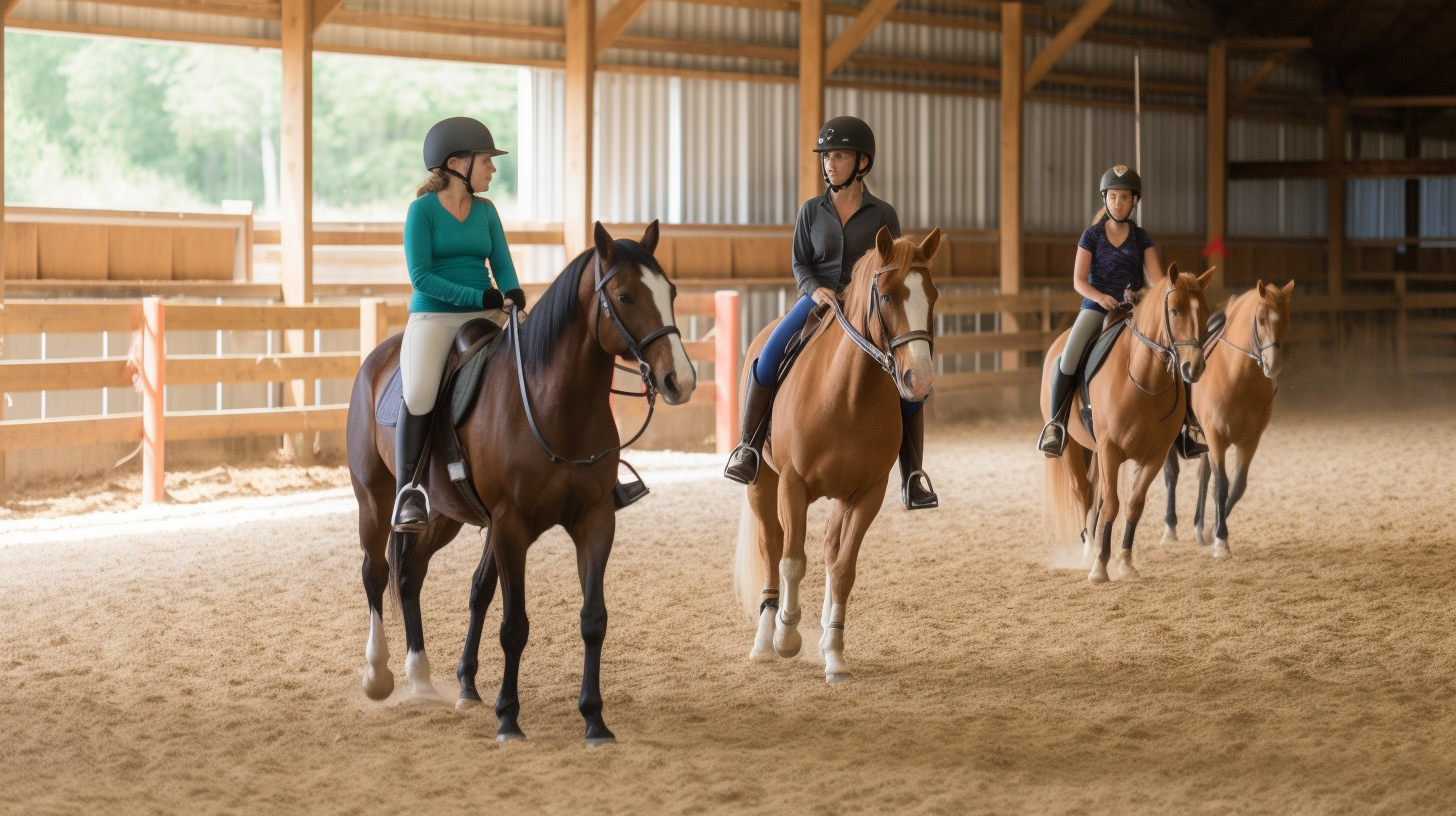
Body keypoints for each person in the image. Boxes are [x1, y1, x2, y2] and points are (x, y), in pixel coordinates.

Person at [722, 115, 938, 510]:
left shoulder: (883, 214)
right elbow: (800, 264)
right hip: (817, 301)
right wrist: (813, 289)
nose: (829, 163)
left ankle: (913, 475)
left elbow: (891, 269)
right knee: (767, 356)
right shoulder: (810, 211)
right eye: (826, 156)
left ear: (861, 162)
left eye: (838, 156)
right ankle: (749, 448)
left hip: (864, 309)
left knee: (909, 380)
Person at [392, 117, 525, 532]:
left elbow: (501, 264)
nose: (493, 169)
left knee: (535, 366)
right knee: (418, 393)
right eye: (486, 160)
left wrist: (514, 295)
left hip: (487, 312)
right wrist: (478, 297)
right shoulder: (422, 212)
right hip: (434, 316)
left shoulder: (486, 211)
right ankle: (408, 492)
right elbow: (421, 276)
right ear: (457, 164)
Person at [1036, 165, 1207, 458]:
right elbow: (1078, 280)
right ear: (1105, 199)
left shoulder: (1142, 238)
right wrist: (1100, 296)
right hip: (1096, 308)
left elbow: (1156, 280)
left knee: (1176, 353)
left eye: (1124, 197)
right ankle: (1056, 424)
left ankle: (1186, 427)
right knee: (1069, 356)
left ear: (1134, 201)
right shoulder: (1091, 236)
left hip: (1135, 310)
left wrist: (1150, 293)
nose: (1118, 202)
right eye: (1113, 196)